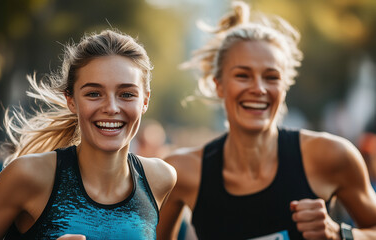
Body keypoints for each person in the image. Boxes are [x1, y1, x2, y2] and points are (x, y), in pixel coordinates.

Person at [157, 1, 376, 239]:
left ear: (284, 87)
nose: (259, 89)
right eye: (243, 75)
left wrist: (340, 234)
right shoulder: (181, 173)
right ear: (218, 85)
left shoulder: (332, 155)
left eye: (271, 77)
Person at [0, 29, 176, 240]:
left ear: (145, 100)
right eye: (94, 94)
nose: (111, 107)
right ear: (71, 100)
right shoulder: (28, 176)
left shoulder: (161, 179)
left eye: (127, 94)